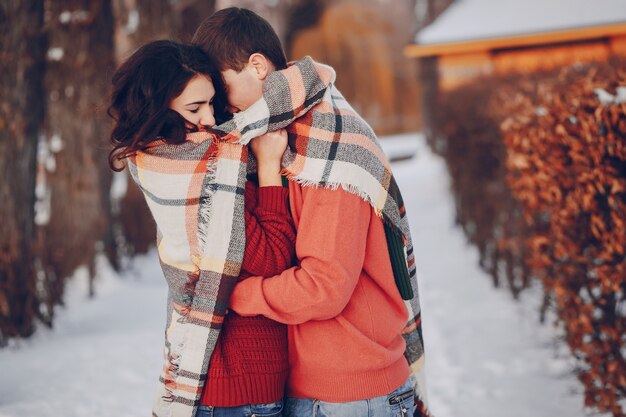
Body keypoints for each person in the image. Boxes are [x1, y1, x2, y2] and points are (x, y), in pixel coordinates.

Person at [191, 7, 431, 417]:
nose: (222, 109)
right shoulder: (285, 138)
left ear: (257, 66)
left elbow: (324, 287)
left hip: (350, 394)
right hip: (328, 387)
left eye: (223, 86)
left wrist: (233, 295)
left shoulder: (328, 145)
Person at [107, 40, 297, 417]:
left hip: (219, 377)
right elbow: (273, 256)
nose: (210, 118)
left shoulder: (155, 156)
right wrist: (270, 166)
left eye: (212, 103)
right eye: (195, 107)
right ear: (157, 107)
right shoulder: (211, 169)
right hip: (239, 384)